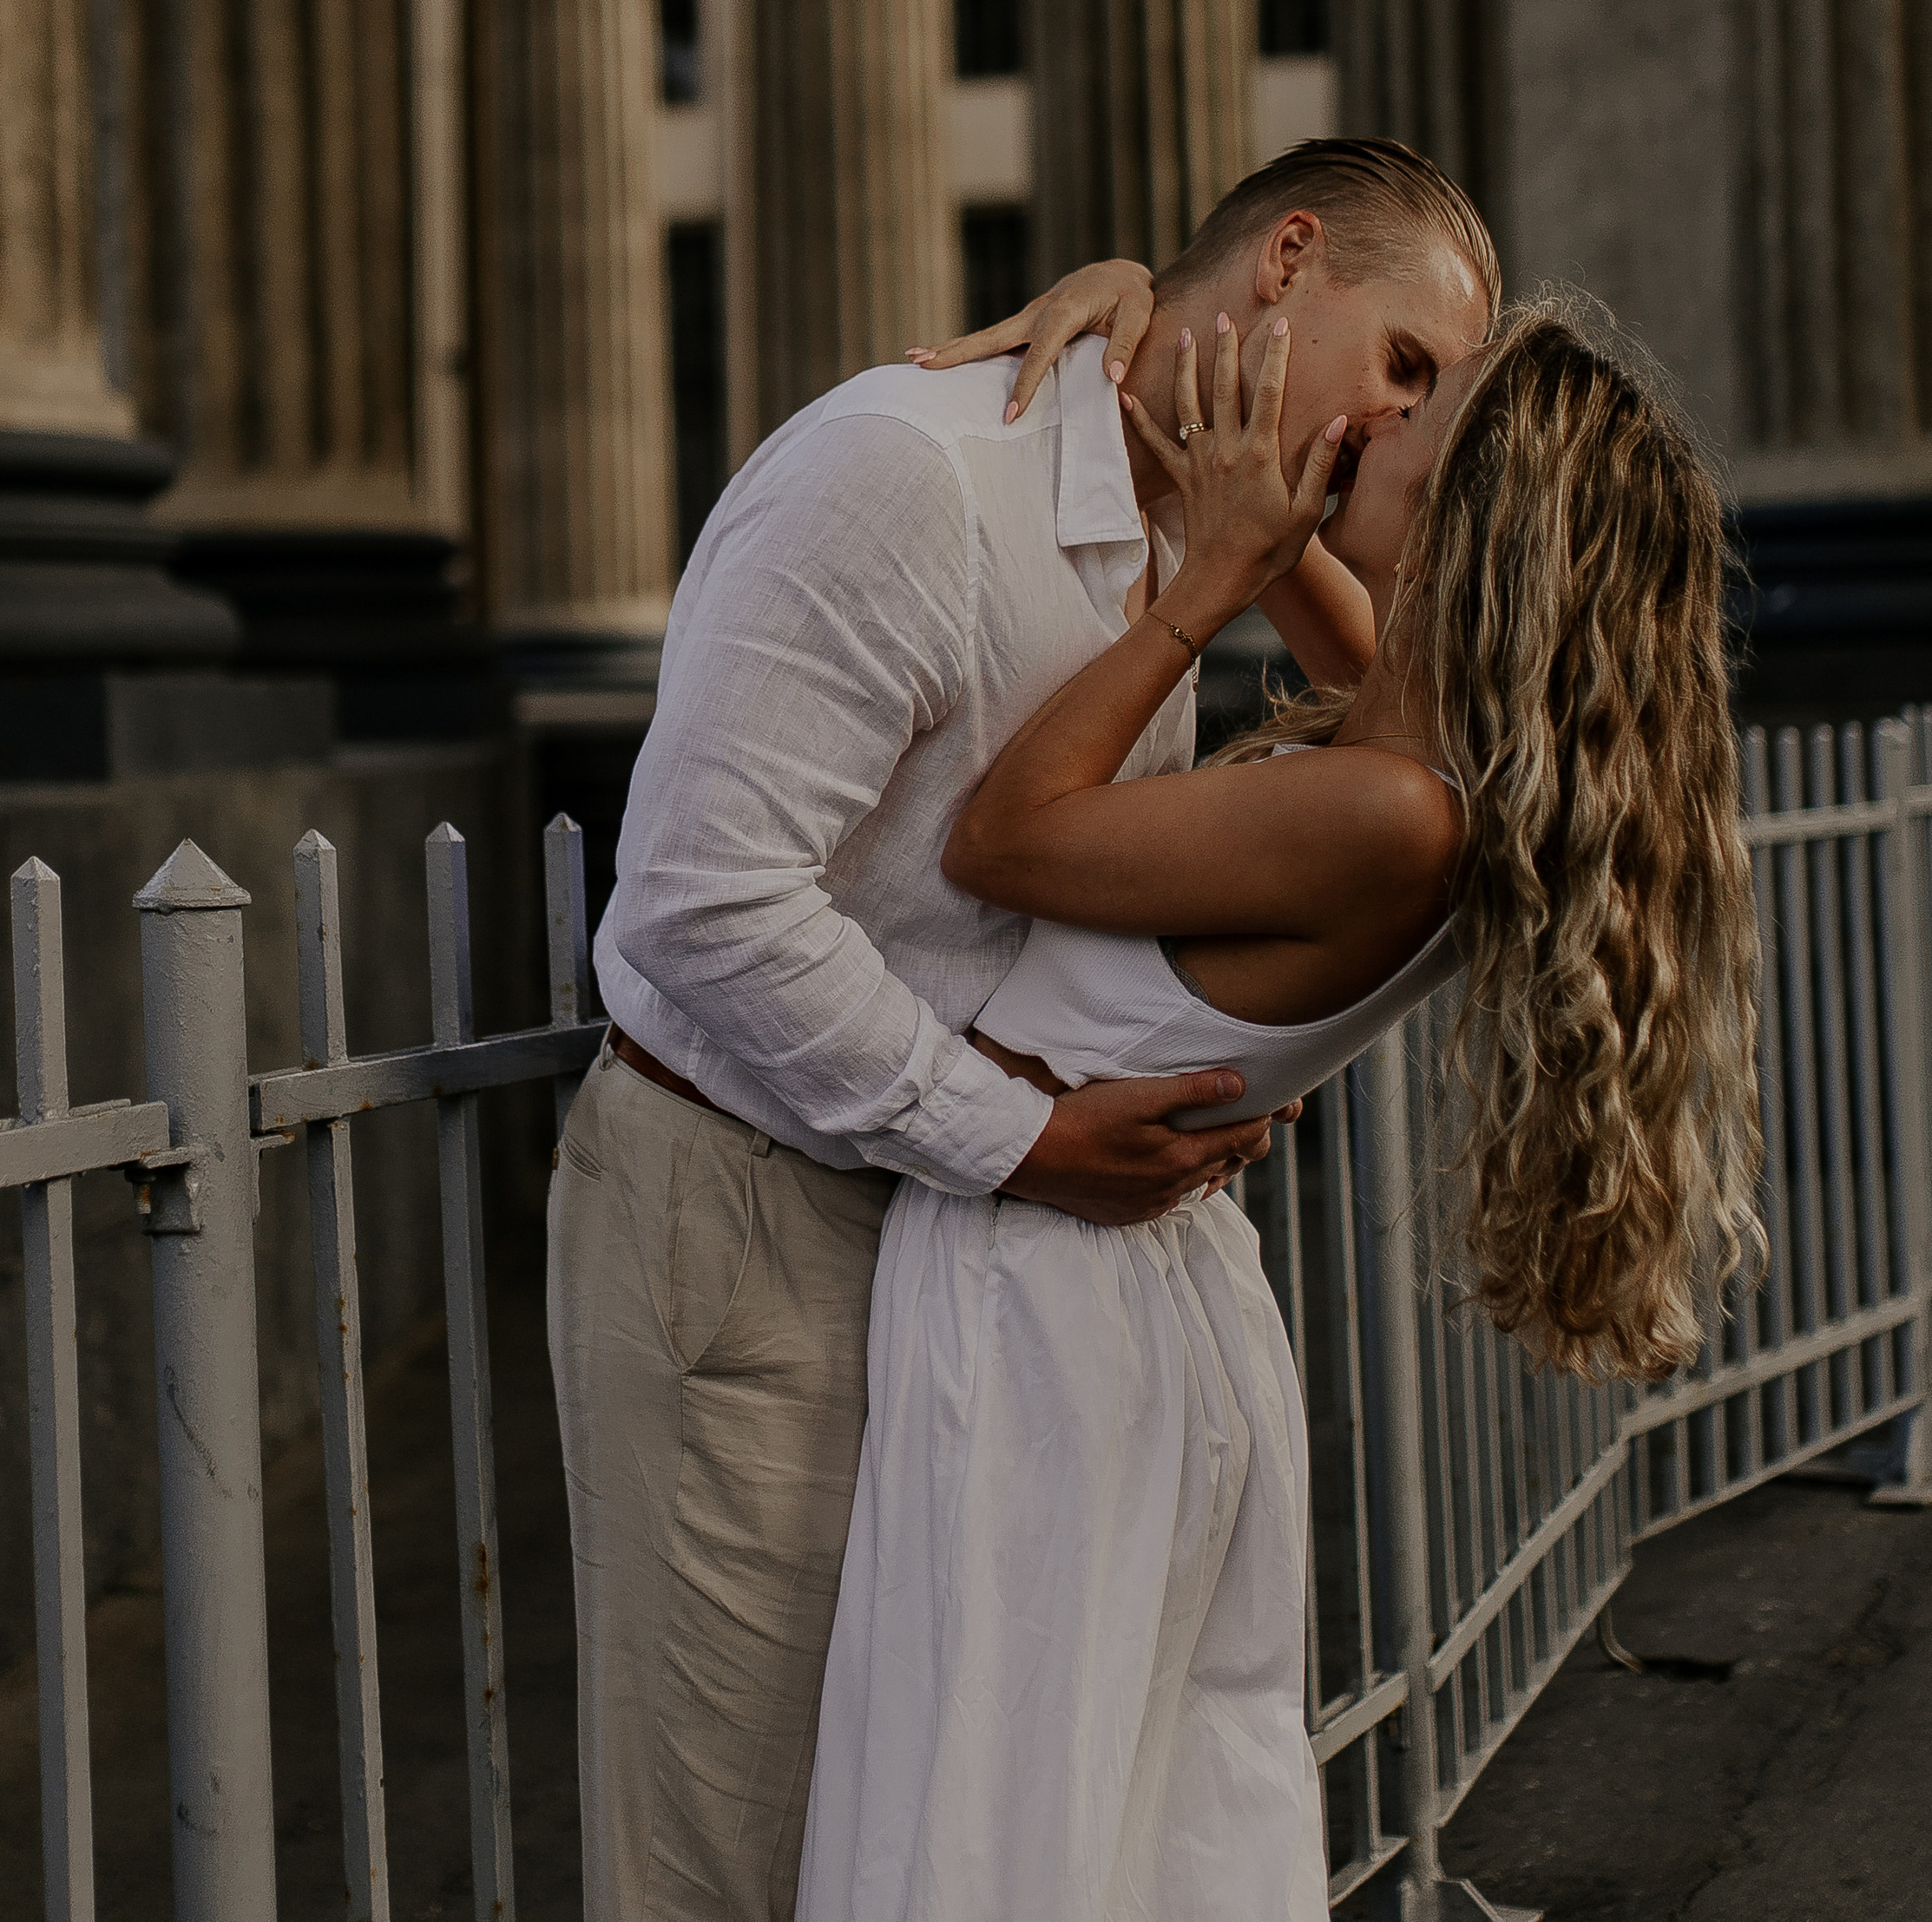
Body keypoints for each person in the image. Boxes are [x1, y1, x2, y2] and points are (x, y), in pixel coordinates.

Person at [547, 141, 1499, 1922]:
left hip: (959, 1245)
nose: (1414, 427)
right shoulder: (902, 478)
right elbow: (698, 898)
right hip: (758, 1215)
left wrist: (1174, 370)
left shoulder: (1182, 512)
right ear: (1288, 258)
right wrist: (1029, 1136)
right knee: (729, 1862)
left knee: (914, 1846)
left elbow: (1399, 713)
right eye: (1407, 367)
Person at [795, 295, 1765, 1922]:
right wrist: (1157, 320)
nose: (1374, 416)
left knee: (1004, 1823)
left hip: (1047, 1310)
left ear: (1475, 530)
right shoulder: (1427, 743)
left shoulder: (1392, 814)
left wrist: (1207, 584)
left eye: (1421, 408)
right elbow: (1321, 585)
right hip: (1116, 1296)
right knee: (1108, 1817)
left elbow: (1001, 839)